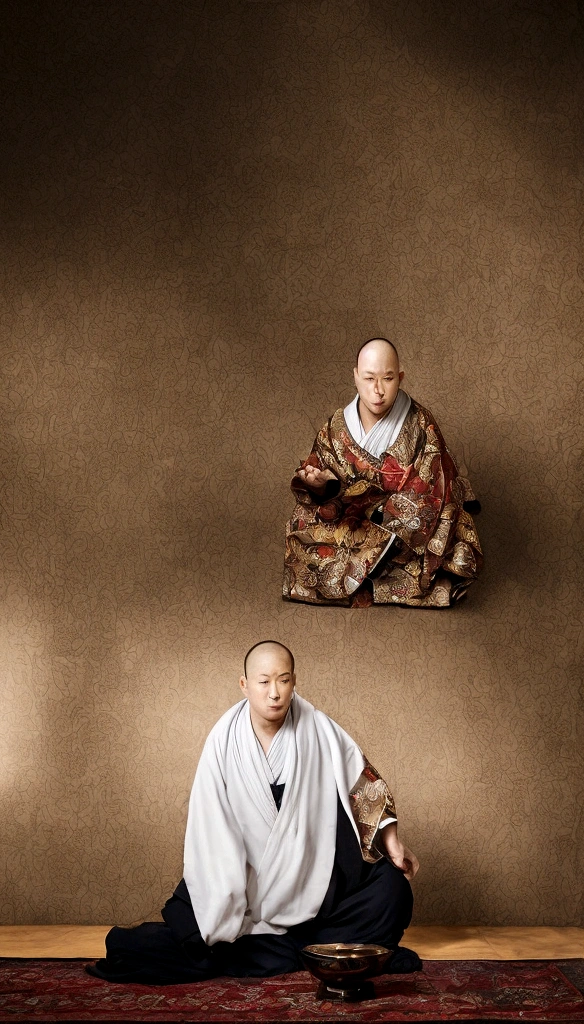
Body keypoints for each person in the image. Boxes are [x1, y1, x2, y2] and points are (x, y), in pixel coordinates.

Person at [89, 641, 420, 985]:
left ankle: (288, 949)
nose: (274, 693)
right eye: (263, 682)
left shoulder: (317, 727)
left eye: (283, 680)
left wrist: (392, 842)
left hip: (312, 876)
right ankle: (318, 951)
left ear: (294, 682)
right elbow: (211, 822)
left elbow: (362, 781)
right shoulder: (223, 738)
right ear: (244, 684)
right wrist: (224, 893)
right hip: (249, 883)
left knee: (391, 890)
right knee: (201, 938)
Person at [283, 338, 483, 607]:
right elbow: (322, 474)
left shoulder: (421, 424)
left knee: (442, 532)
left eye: (387, 379)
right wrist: (323, 486)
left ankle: (373, 575)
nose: (378, 390)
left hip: (394, 524)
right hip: (348, 517)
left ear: (400, 378)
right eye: (369, 379)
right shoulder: (335, 427)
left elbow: (434, 484)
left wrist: (381, 510)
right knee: (301, 524)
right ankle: (377, 578)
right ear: (355, 377)